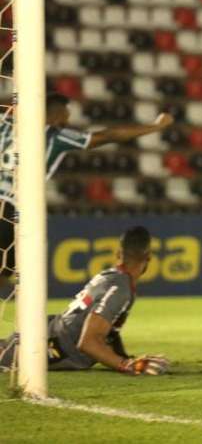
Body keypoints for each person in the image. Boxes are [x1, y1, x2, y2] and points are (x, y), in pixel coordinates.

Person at [0, 92, 174, 289]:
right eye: (65, 117)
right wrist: (156, 126)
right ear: (56, 116)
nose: (66, 122)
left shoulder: (4, 124)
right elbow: (107, 136)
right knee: (15, 271)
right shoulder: (53, 135)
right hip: (11, 212)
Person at [0, 226, 169, 375]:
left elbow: (109, 333)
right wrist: (126, 365)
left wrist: (124, 357)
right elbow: (88, 343)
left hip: (48, 334)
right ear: (148, 257)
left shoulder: (110, 277)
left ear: (119, 254)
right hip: (49, 344)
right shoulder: (120, 288)